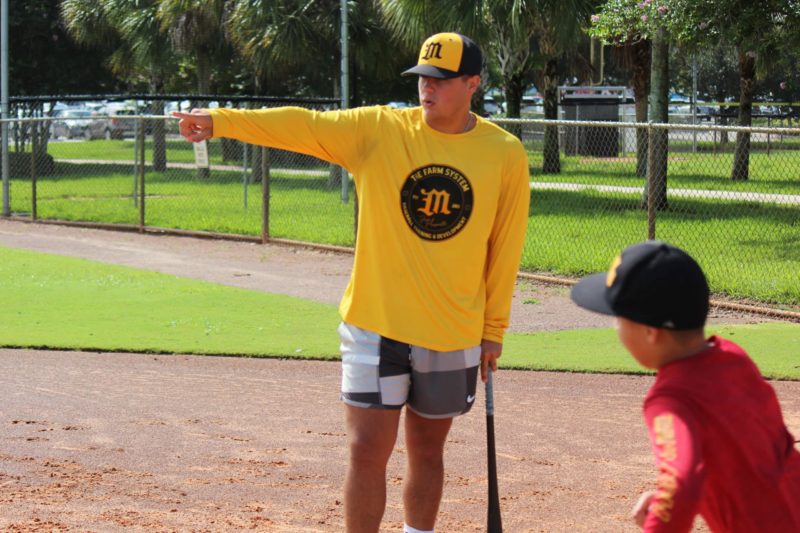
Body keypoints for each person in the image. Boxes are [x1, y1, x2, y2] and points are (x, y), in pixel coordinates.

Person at [173, 32, 530, 533]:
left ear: (472, 83)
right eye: (423, 78)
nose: (427, 89)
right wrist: (220, 120)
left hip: (452, 329)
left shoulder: (503, 152)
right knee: (366, 450)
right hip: (374, 325)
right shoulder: (380, 130)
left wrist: (493, 329)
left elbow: (504, 246)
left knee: (428, 451)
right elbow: (304, 125)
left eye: (442, 80)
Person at [570, 240, 800, 532]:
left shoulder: (670, 399)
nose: (616, 328)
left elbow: (680, 483)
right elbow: (755, 449)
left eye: (619, 319)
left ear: (650, 332)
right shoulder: (732, 357)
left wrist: (670, 505)